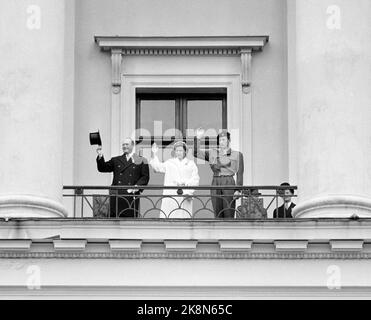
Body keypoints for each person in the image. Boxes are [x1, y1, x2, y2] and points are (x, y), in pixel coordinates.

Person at [194, 128, 244, 219]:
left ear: (229, 140)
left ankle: (229, 231)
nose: (221, 142)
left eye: (224, 139)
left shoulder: (237, 154)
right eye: (220, 140)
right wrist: (198, 138)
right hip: (215, 181)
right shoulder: (212, 153)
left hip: (228, 182)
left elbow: (240, 173)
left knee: (229, 210)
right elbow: (196, 153)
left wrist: (238, 190)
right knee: (217, 211)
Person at [96, 138, 149, 218]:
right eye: (123, 145)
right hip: (117, 196)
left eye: (127, 144)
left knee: (129, 224)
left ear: (132, 145)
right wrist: (100, 155)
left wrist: (137, 187)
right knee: (114, 223)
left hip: (131, 197)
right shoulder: (116, 160)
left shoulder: (141, 160)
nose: (124, 146)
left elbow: (145, 177)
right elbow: (102, 168)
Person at [150, 141, 200, 218]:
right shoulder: (170, 163)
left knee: (184, 217)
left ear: (185, 151)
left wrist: (186, 184)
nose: (178, 152)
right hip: (171, 195)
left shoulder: (191, 163)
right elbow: (157, 167)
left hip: (185, 194)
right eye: (177, 150)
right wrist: (154, 154)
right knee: (170, 216)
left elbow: (195, 178)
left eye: (180, 150)